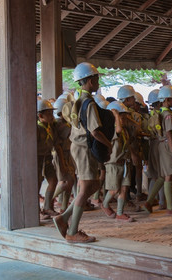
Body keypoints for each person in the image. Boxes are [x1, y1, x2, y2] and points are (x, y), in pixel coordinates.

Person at [53, 62, 111, 243]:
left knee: (92, 186)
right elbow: (95, 132)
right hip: (84, 148)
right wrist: (108, 144)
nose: (98, 81)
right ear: (91, 81)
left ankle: (63, 218)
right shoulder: (89, 104)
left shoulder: (77, 100)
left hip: (78, 147)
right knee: (86, 188)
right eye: (97, 78)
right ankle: (72, 232)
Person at [141, 85, 172, 216]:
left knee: (162, 175)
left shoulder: (159, 113)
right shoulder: (168, 115)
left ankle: (148, 202)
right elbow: (169, 135)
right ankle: (170, 207)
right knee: (169, 175)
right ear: (166, 100)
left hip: (159, 145)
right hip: (167, 146)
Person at [101, 101, 135, 222]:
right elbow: (118, 130)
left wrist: (127, 118)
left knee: (124, 188)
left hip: (124, 162)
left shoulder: (125, 129)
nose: (124, 118)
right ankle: (104, 204)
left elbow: (136, 127)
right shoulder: (112, 129)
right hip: (114, 163)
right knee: (114, 189)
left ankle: (120, 213)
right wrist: (115, 116)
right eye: (122, 115)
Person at [37, 99, 61, 220]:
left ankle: (47, 207)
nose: (52, 117)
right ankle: (36, 210)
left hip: (48, 158)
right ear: (40, 115)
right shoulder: (37, 128)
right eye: (49, 114)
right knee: (36, 184)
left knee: (53, 180)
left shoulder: (50, 127)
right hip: (38, 159)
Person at [144, 89, 166, 209]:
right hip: (159, 145)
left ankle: (151, 200)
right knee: (162, 175)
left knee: (154, 176)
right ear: (160, 103)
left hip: (152, 145)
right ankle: (162, 202)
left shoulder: (150, 116)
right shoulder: (161, 116)